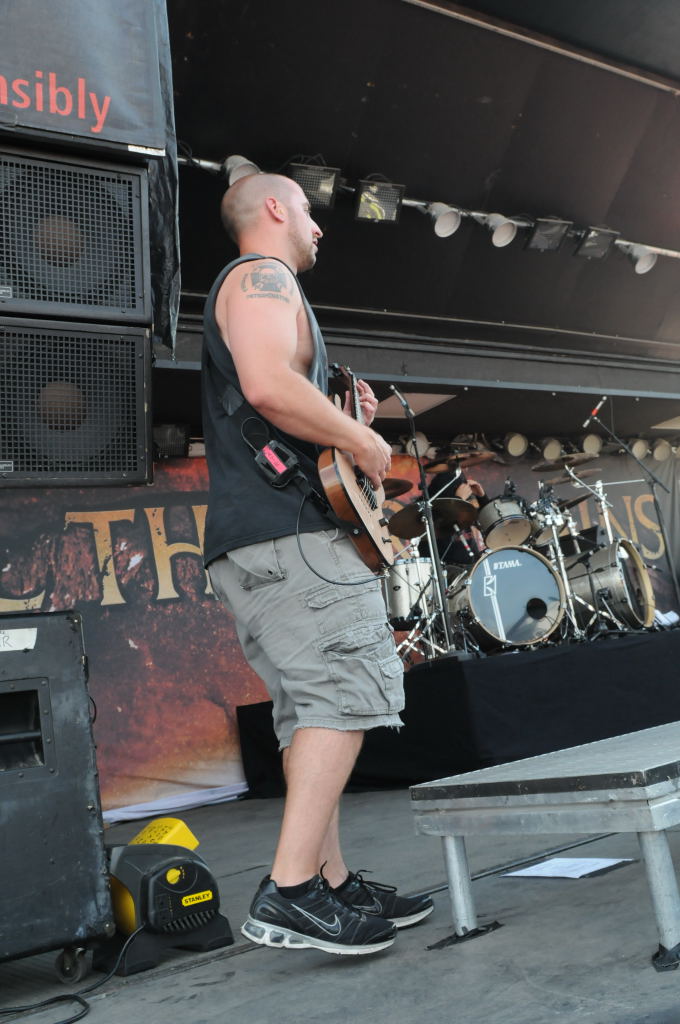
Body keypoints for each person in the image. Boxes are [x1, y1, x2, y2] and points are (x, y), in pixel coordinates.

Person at [201, 172, 433, 956]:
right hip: (291, 539)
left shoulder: (261, 286)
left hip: (262, 542)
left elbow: (275, 400)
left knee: (311, 714)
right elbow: (267, 384)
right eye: (307, 210)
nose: (319, 227)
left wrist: (339, 417)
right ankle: (292, 889)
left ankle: (331, 883)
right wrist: (364, 440)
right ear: (274, 207)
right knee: (345, 692)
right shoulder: (260, 276)